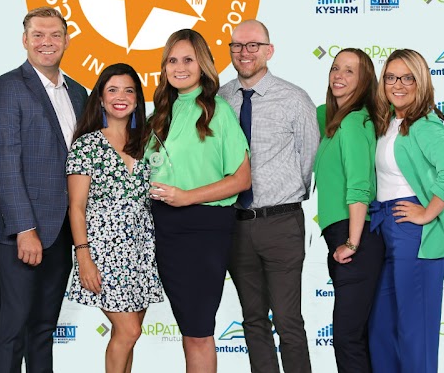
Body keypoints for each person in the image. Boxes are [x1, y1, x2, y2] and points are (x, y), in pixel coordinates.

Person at [0, 6, 88, 373]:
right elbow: (5, 163)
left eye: (55, 35)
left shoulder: (79, 92)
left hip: (62, 231)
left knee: (44, 330)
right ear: (25, 40)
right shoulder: (6, 88)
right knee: (12, 331)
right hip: (22, 234)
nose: (47, 42)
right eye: (38, 35)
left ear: (67, 40)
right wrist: (24, 229)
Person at [145, 29, 251, 373]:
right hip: (164, 228)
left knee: (199, 331)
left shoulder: (218, 111)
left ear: (202, 64)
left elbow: (241, 179)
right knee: (188, 328)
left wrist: (187, 197)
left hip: (203, 230)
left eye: (188, 59)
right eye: (172, 60)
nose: (179, 67)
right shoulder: (159, 114)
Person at [218, 20, 318, 373]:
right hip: (236, 224)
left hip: (281, 223)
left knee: (288, 320)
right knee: (253, 319)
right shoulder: (221, 99)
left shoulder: (294, 98)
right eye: (237, 46)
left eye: (253, 45)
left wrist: (283, 195)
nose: (244, 52)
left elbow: (309, 159)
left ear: (269, 50)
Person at [368, 49, 444, 373]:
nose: (398, 85)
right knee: (381, 330)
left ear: (420, 82)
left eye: (407, 78)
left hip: (414, 234)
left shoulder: (424, 125)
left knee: (415, 333)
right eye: (391, 77)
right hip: (384, 225)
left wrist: (426, 213)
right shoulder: (389, 122)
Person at [66, 63, 164, 373]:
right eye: (112, 90)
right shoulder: (86, 145)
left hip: (142, 251)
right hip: (104, 252)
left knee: (129, 335)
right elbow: (76, 207)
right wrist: (84, 257)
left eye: (128, 90)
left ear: (137, 98)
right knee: (129, 330)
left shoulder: (149, 141)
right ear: (100, 98)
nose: (120, 97)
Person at [314, 48, 385, 373]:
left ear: (364, 81)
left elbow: (359, 186)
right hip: (343, 236)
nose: (338, 76)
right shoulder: (335, 121)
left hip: (356, 237)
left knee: (348, 339)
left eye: (349, 71)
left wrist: (352, 242)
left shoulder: (354, 122)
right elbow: (311, 112)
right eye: (335, 68)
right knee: (355, 337)